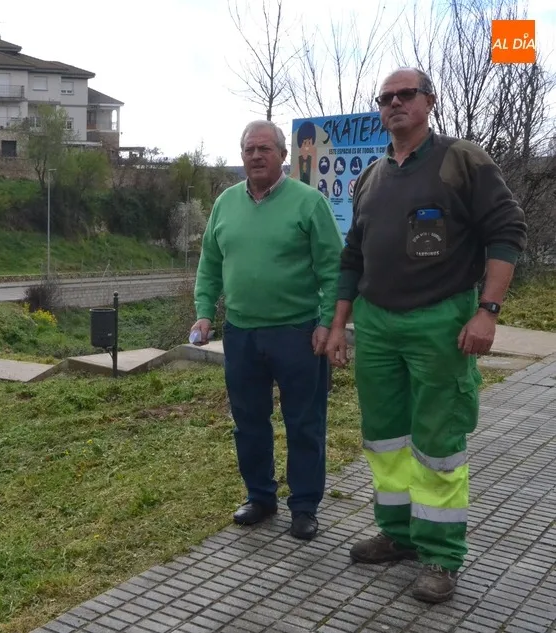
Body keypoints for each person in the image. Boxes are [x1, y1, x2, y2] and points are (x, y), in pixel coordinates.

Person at [325, 68, 527, 603]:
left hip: (440, 322)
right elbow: (352, 257)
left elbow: (507, 231)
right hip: (376, 325)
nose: (394, 103)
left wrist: (488, 312)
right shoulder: (370, 177)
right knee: (385, 439)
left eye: (405, 94)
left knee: (437, 443)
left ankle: (440, 554)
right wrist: (340, 324)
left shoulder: (462, 160)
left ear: (429, 102)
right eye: (385, 97)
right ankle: (398, 535)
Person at [191, 120, 343, 541]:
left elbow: (334, 269)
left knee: (305, 423)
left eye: (265, 149)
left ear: (283, 155)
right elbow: (210, 265)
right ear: (242, 156)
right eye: (249, 150)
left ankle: (305, 507)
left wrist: (328, 323)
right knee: (249, 421)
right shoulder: (225, 204)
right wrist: (204, 313)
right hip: (241, 334)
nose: (256, 156)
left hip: (299, 333)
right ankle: (260, 497)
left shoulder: (309, 203)